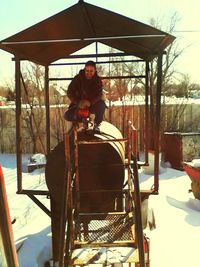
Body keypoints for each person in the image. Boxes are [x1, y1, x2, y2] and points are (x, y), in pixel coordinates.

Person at [64, 60, 106, 132]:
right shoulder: (77, 78)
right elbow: (69, 92)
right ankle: (82, 122)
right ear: (84, 69)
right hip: (79, 105)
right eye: (87, 70)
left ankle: (96, 124)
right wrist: (78, 102)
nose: (89, 73)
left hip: (92, 105)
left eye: (91, 71)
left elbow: (99, 94)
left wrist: (90, 102)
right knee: (67, 115)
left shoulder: (98, 80)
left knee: (102, 105)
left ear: (95, 71)